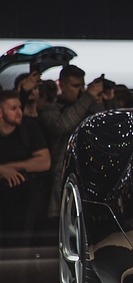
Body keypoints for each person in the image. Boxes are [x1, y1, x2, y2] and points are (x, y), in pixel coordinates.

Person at [38, 65, 105, 217]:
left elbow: (103, 130)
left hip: (89, 174)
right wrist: (88, 97)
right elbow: (62, 125)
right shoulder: (50, 109)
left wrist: (99, 102)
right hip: (60, 178)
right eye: (75, 86)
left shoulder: (87, 107)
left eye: (82, 86)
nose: (80, 90)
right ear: (61, 85)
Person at [0, 90, 51, 247]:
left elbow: (44, 161)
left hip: (24, 199)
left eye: (19, 107)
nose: (19, 112)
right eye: (13, 108)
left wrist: (9, 168)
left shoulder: (28, 127)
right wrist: (2, 171)